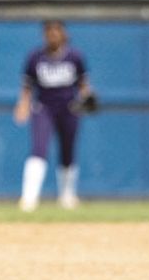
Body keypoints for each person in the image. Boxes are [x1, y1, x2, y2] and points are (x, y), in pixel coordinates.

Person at [12, 19, 95, 212]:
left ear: (64, 34)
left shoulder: (74, 56)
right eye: (49, 31)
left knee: (67, 151)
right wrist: (23, 106)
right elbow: (27, 86)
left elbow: (83, 84)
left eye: (56, 31)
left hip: (69, 108)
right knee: (39, 148)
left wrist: (87, 97)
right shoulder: (36, 57)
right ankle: (29, 198)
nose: (53, 35)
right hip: (45, 108)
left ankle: (67, 195)